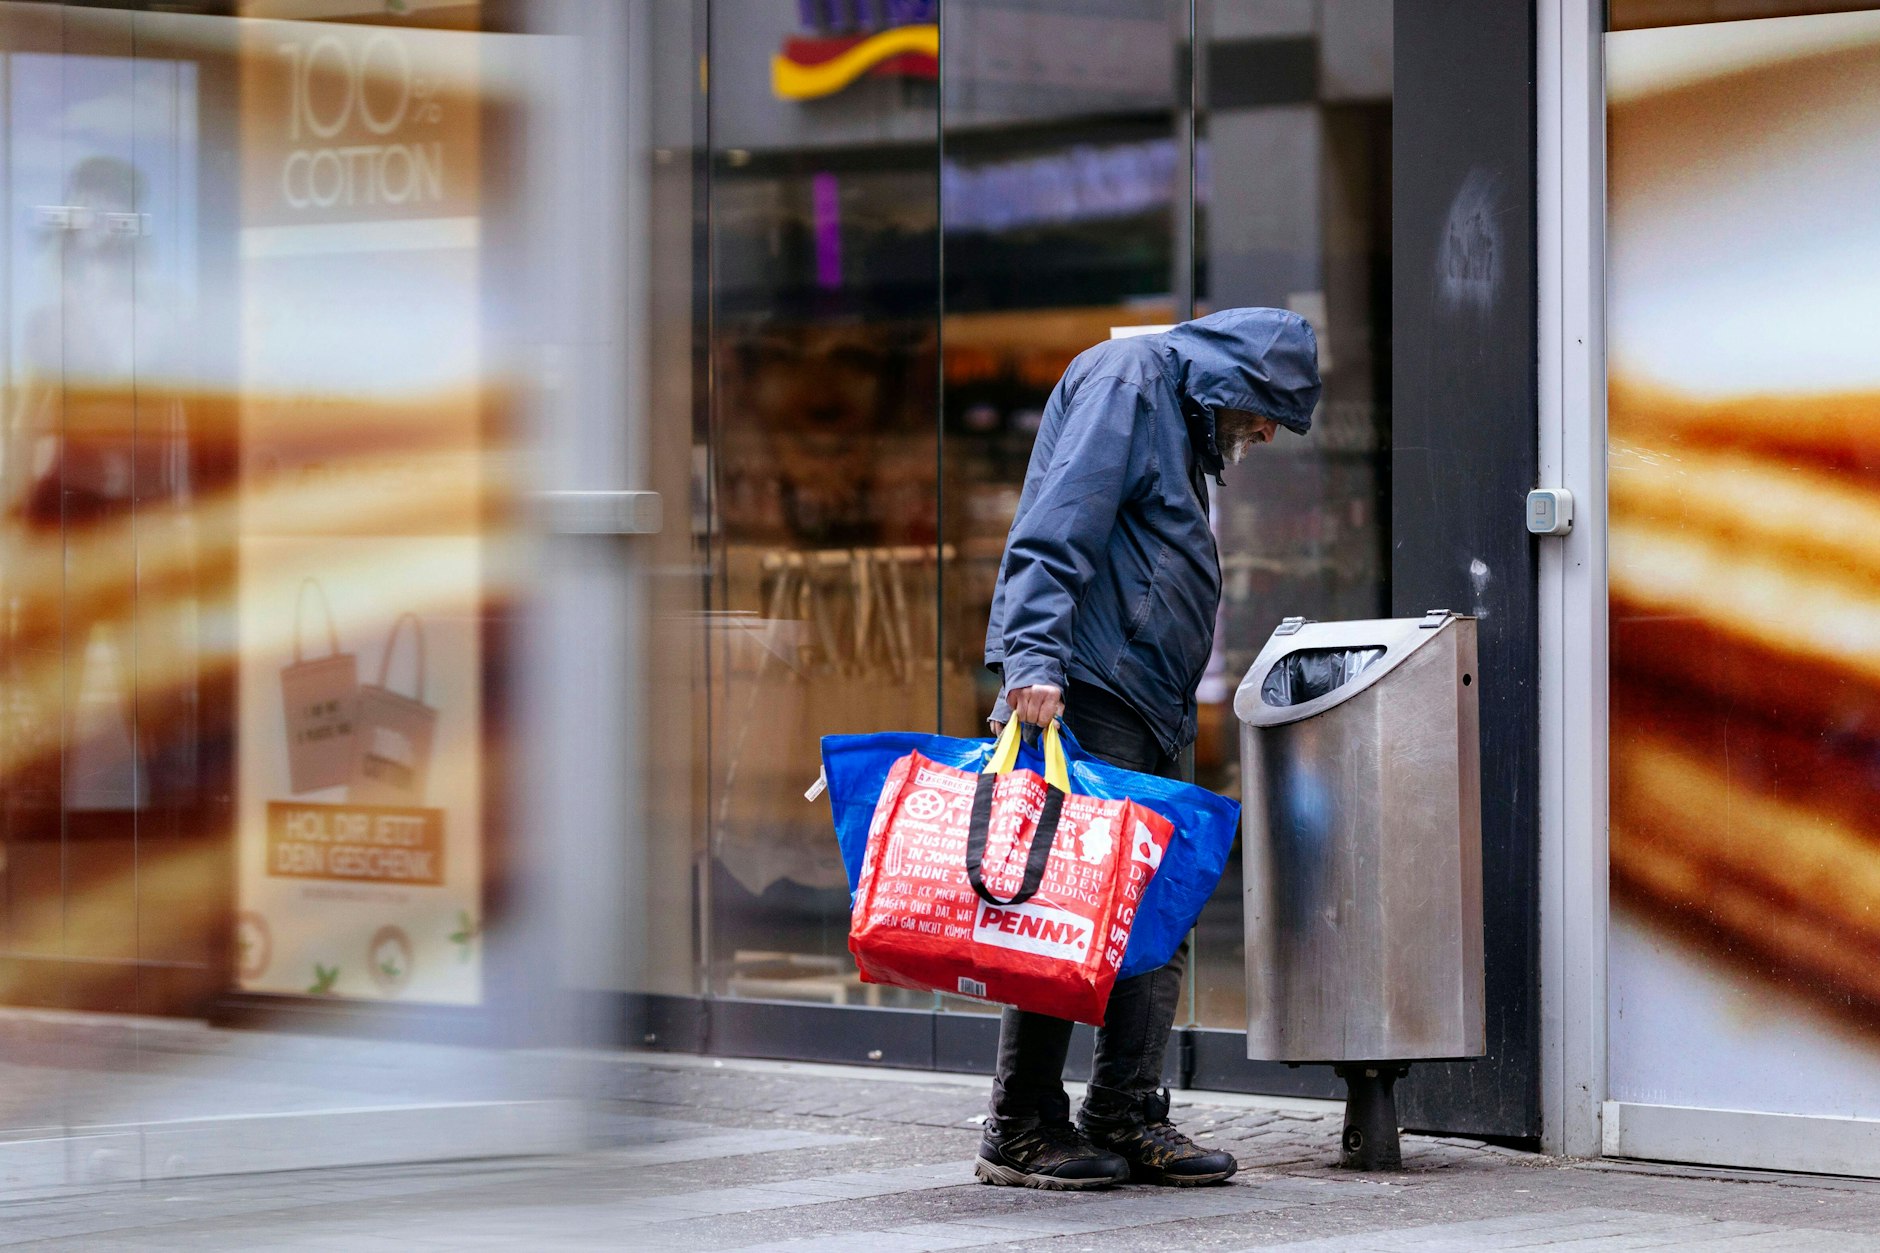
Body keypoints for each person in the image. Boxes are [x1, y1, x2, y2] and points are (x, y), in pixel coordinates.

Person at [975, 307, 1321, 1190]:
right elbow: (1057, 523)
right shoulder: (1130, 383)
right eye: (1268, 412)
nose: (1267, 433)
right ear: (1236, 382)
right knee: (1064, 905)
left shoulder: (1178, 411)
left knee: (1155, 909)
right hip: (1091, 689)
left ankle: (1125, 1111)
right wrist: (1033, 657)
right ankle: (1021, 1124)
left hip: (1148, 699)